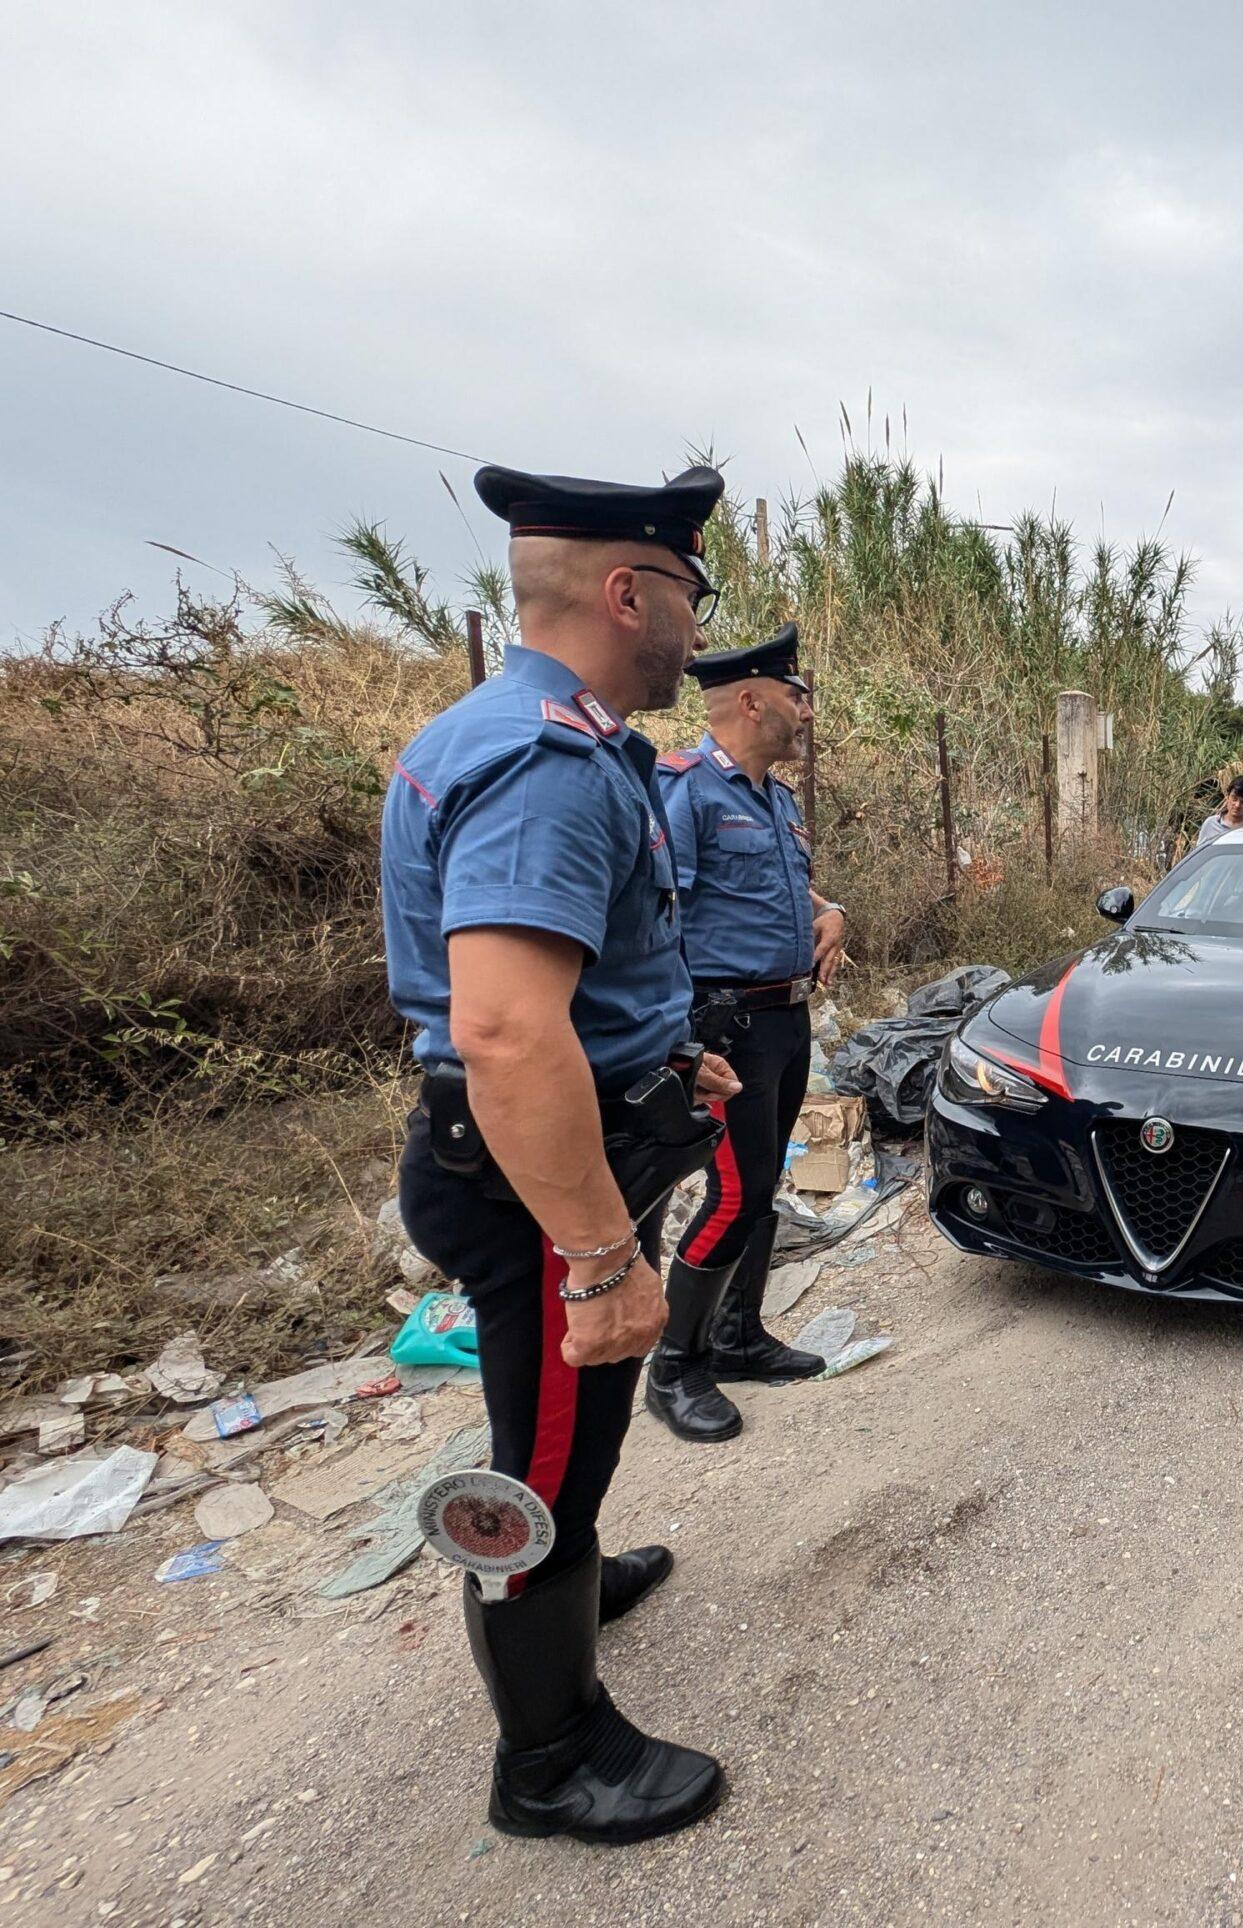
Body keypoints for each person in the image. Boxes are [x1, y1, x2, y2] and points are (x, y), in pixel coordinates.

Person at [382, 460, 743, 1845]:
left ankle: (574, 1579)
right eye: (684, 600)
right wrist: (599, 1256)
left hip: (561, 1160)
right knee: (540, 1468)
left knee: (566, 1433)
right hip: (540, 1193)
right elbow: (510, 1033)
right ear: (626, 589)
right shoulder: (546, 764)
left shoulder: (552, 732)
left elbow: (585, 992)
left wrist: (669, 1059)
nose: (690, 635)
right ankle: (551, 1759)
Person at [647, 623, 847, 1443]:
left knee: (760, 1190)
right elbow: (655, 920)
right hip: (721, 1026)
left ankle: (738, 1338)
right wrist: (679, 1040)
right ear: (754, 700)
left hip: (784, 1019)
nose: (806, 715)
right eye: (798, 700)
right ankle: (674, 1366)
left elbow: (786, 892)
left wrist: (830, 911)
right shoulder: (686, 789)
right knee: (730, 1194)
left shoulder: (776, 798)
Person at [1195, 773, 1243, 848]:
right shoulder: (1211, 824)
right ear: (1227, 797)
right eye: (1234, 799)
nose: (1237, 805)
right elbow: (1200, 853)